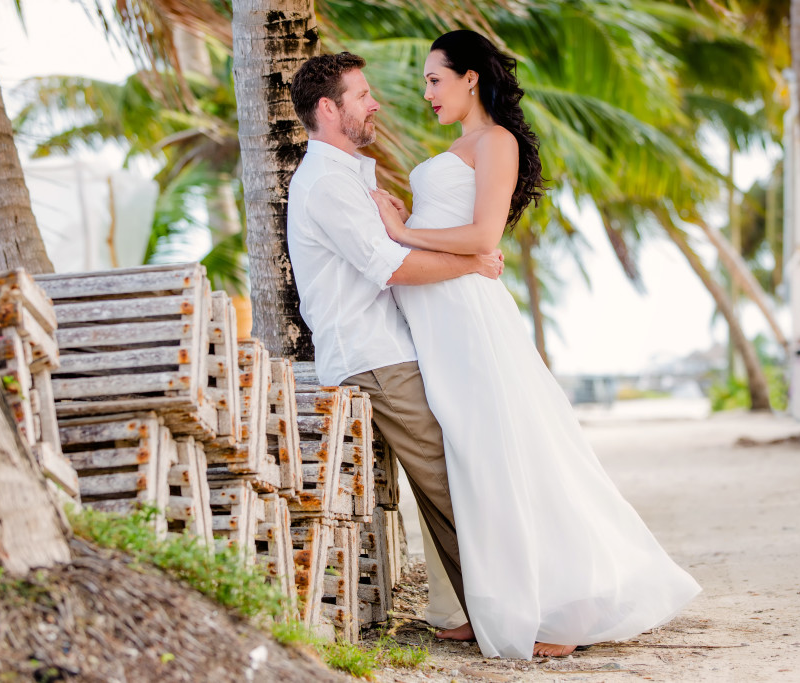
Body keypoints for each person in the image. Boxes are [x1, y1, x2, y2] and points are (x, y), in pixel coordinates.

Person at [368, 30, 702, 659]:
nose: (427, 93)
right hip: (437, 318)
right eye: (425, 83)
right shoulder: (463, 145)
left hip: (467, 318)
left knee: (498, 455)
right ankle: (491, 599)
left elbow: (484, 237)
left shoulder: (497, 142)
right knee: (466, 461)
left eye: (435, 79)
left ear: (471, 78)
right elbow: (455, 234)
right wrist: (408, 224)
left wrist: (397, 229)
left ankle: (554, 609)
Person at [285, 51, 504, 629]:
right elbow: (392, 267)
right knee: (453, 483)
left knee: (453, 478)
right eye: (362, 95)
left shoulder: (345, 176)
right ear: (329, 109)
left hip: (387, 350)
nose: (375, 102)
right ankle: (505, 613)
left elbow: (388, 252)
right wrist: (474, 265)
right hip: (373, 357)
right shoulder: (327, 183)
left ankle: (473, 611)